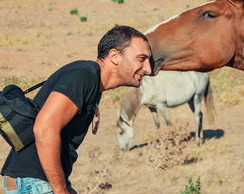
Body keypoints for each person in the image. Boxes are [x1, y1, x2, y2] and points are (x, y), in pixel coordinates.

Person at [1, 25, 152, 194]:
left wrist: (65, 185)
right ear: (115, 56)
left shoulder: (92, 82)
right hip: (34, 182)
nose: (148, 69)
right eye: (142, 59)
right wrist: (59, 189)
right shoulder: (83, 76)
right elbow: (44, 128)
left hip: (38, 181)